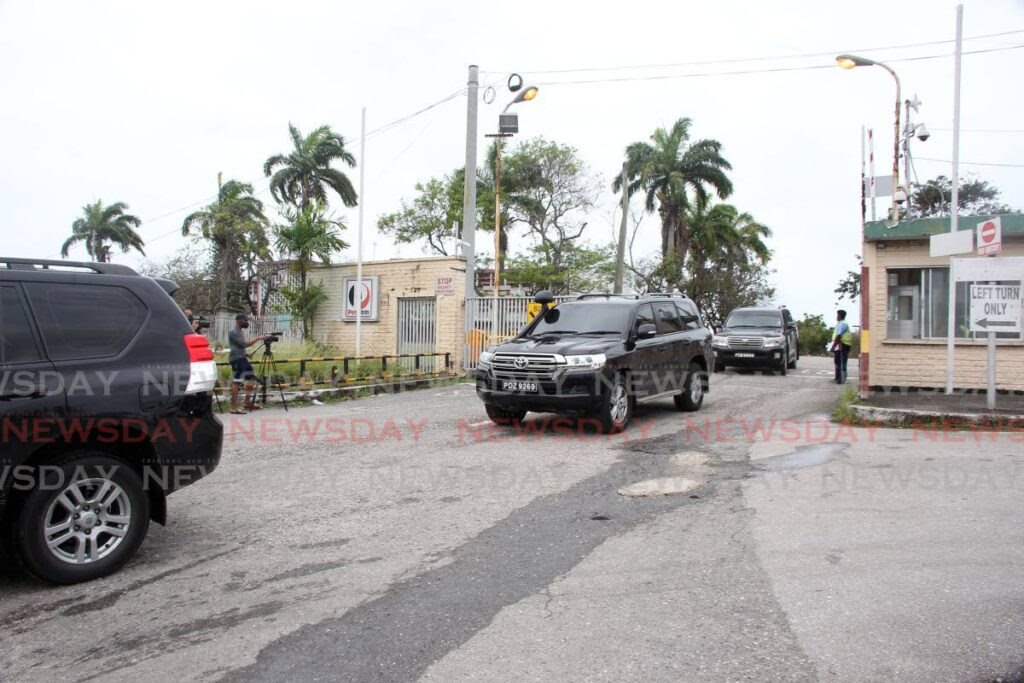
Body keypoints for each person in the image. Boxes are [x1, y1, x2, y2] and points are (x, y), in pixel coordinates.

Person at [229, 314, 265, 414]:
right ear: (239, 320)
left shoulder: (239, 331)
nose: (247, 322)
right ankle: (234, 407)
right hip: (237, 360)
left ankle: (247, 402)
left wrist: (245, 353)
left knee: (250, 378)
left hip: (242, 358)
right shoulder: (234, 332)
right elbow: (244, 344)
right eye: (245, 320)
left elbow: (238, 346)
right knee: (236, 382)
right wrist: (258, 338)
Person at [830, 309, 853, 384]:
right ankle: (839, 378)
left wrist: (833, 347)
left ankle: (840, 379)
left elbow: (839, 336)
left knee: (840, 362)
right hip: (842, 345)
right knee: (839, 361)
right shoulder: (842, 323)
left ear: (840, 316)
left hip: (842, 345)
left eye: (837, 315)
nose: (836, 317)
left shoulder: (842, 324)